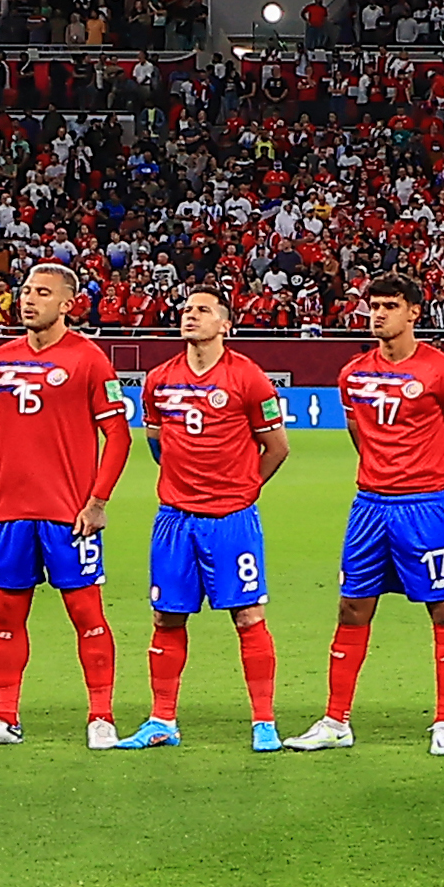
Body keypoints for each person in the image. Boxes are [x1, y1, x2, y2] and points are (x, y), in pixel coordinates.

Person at [292, 274, 444, 757]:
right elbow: (360, 435)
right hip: (370, 506)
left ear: (414, 312)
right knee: (352, 606)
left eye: (390, 306)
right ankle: (336, 719)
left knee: (442, 607)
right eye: (373, 305)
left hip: (425, 506)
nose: (378, 314)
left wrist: (442, 482)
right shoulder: (353, 373)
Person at [0, 261, 132, 753]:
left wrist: (98, 501)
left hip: (67, 515)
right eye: (26, 291)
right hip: (10, 515)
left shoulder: (89, 359)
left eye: (42, 292)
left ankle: (101, 716)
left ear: (67, 304)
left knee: (87, 614)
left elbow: (117, 435)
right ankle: (3, 717)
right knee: (6, 616)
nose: (29, 299)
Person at [132, 285, 291, 751]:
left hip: (231, 520)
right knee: (166, 617)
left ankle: (264, 722)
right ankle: (162, 720)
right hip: (175, 518)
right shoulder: (159, 379)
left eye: (203, 310)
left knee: (247, 616)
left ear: (225, 324)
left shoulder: (249, 378)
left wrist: (243, 490)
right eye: (186, 309)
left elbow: (277, 447)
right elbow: (156, 442)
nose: (191, 316)